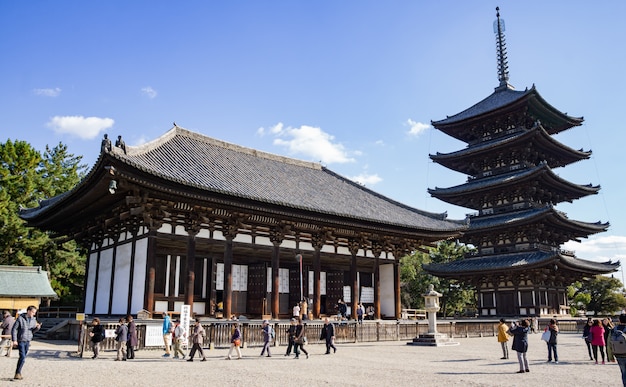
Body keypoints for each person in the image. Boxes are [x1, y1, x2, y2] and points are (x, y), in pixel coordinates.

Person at [11, 305, 41, 380]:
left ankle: (18, 372)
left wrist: (37, 328)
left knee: (23, 357)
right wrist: (14, 340)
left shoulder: (33, 320)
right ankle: (18, 373)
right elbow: (14, 329)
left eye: (35, 312)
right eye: (33, 312)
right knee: (23, 357)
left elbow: (32, 331)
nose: (34, 314)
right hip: (21, 340)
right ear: (28, 311)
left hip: (28, 340)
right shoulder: (20, 319)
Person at [613, 314, 626, 386]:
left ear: (619, 320)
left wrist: (610, 356)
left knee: (623, 372)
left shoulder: (614, 329)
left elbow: (609, 344)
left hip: (618, 353)